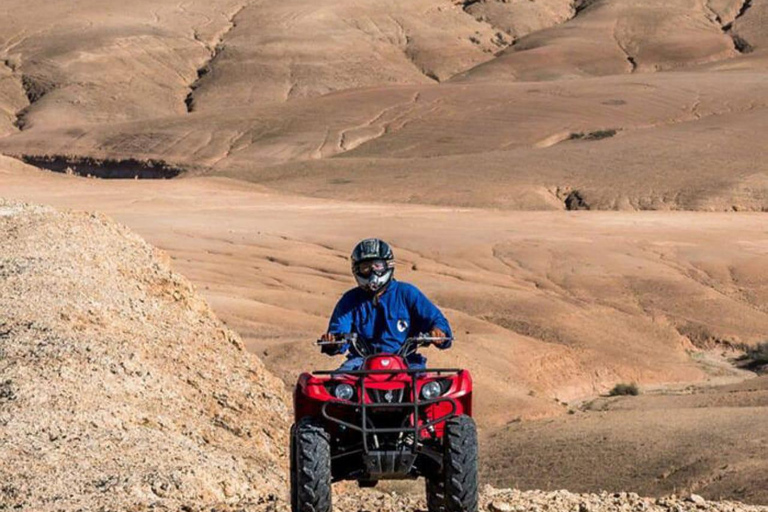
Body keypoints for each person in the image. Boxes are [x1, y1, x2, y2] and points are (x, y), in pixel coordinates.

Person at [320, 238, 453, 370]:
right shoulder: (350, 300)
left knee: (429, 388)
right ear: (356, 269)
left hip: (406, 361)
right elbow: (338, 331)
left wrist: (438, 333)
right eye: (365, 267)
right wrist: (333, 342)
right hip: (360, 363)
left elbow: (436, 320)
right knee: (335, 385)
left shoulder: (407, 293)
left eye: (377, 266)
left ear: (388, 265)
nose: (372, 272)